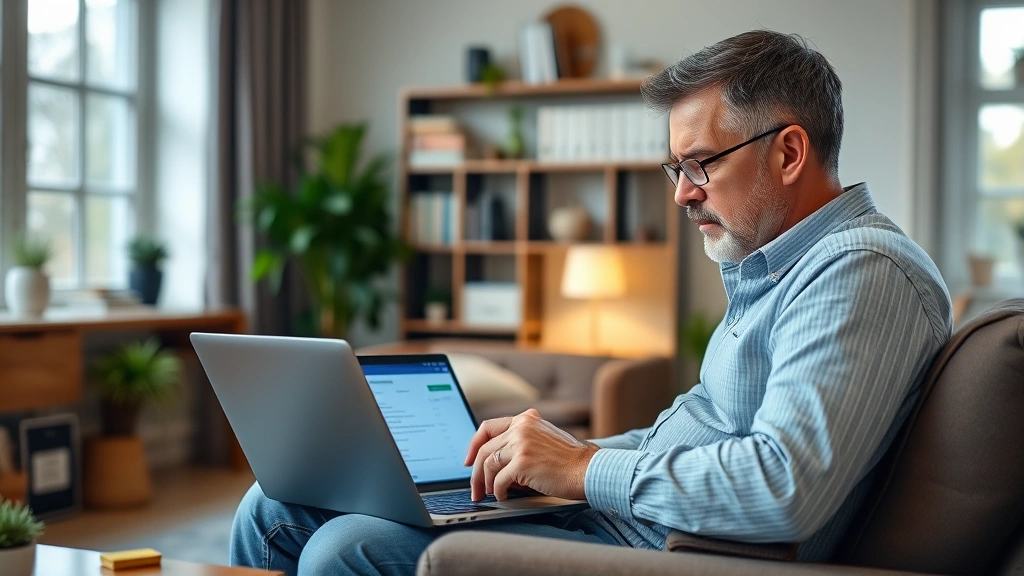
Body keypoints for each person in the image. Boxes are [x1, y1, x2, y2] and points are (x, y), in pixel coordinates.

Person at [230, 29, 952, 575]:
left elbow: (784, 486)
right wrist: (550, 456)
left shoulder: (859, 271)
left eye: (700, 164)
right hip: (621, 520)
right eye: (675, 168)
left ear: (789, 153)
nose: (682, 194)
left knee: (343, 548)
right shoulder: (777, 271)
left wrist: (578, 469)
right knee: (275, 503)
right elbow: (701, 432)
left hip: (666, 551)